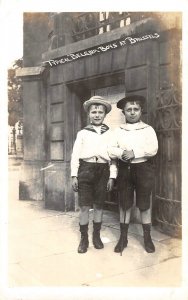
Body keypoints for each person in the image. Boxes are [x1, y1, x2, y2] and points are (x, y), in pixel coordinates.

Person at [108, 95, 158, 254]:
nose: (132, 112)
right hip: (125, 170)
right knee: (125, 203)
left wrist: (134, 152)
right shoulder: (118, 130)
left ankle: (147, 238)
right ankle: (123, 238)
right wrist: (122, 152)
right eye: (128, 110)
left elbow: (153, 149)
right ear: (123, 112)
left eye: (135, 109)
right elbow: (110, 149)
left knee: (144, 204)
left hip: (143, 169)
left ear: (141, 111)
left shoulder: (148, 129)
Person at [71, 96, 117, 254]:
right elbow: (75, 155)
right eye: (94, 112)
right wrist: (74, 175)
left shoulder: (110, 133)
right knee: (84, 206)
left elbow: (113, 158)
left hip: (103, 170)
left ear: (105, 114)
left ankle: (96, 236)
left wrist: (112, 176)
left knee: (99, 205)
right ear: (89, 114)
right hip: (86, 169)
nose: (97, 115)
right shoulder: (83, 133)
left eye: (100, 112)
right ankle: (84, 239)